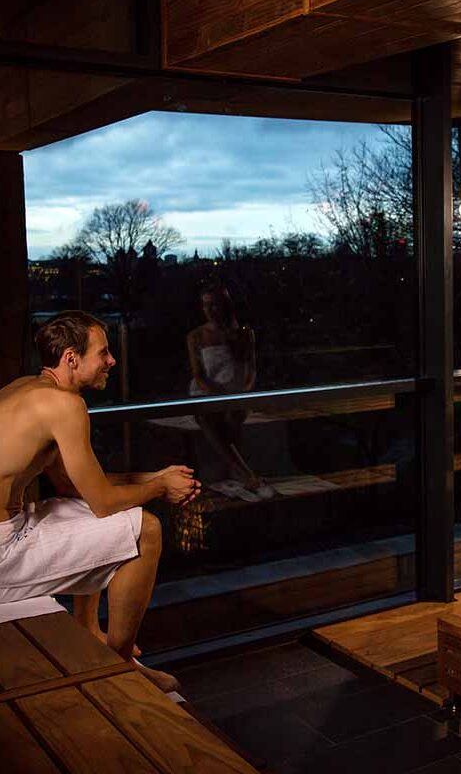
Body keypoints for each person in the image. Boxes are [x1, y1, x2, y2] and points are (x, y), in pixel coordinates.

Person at [0, 311, 201, 692]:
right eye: (103, 353)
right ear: (71, 358)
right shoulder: (64, 407)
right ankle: (120, 665)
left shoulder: (28, 389)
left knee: (84, 515)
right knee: (147, 529)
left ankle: (89, 630)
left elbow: (74, 487)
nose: (111, 361)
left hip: (10, 526)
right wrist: (160, 489)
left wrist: (158, 477)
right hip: (2, 549)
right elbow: (105, 503)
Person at [187, 284, 274, 500]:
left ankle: (240, 473)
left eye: (215, 304)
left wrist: (242, 394)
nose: (210, 309)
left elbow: (251, 369)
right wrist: (218, 396)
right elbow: (199, 375)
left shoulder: (242, 333)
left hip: (236, 393)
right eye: (206, 304)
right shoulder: (195, 336)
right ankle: (247, 476)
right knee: (208, 417)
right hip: (207, 393)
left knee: (230, 419)